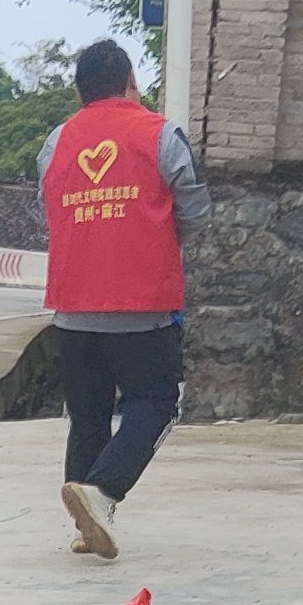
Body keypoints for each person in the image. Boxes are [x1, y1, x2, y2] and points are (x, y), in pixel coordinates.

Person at [40, 37, 212, 563]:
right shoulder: (159, 134)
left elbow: (48, 209)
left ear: (79, 90)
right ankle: (103, 492)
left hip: (73, 305)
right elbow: (197, 210)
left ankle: (85, 520)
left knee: (88, 414)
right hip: (143, 303)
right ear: (130, 81)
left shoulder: (56, 141)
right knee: (156, 403)